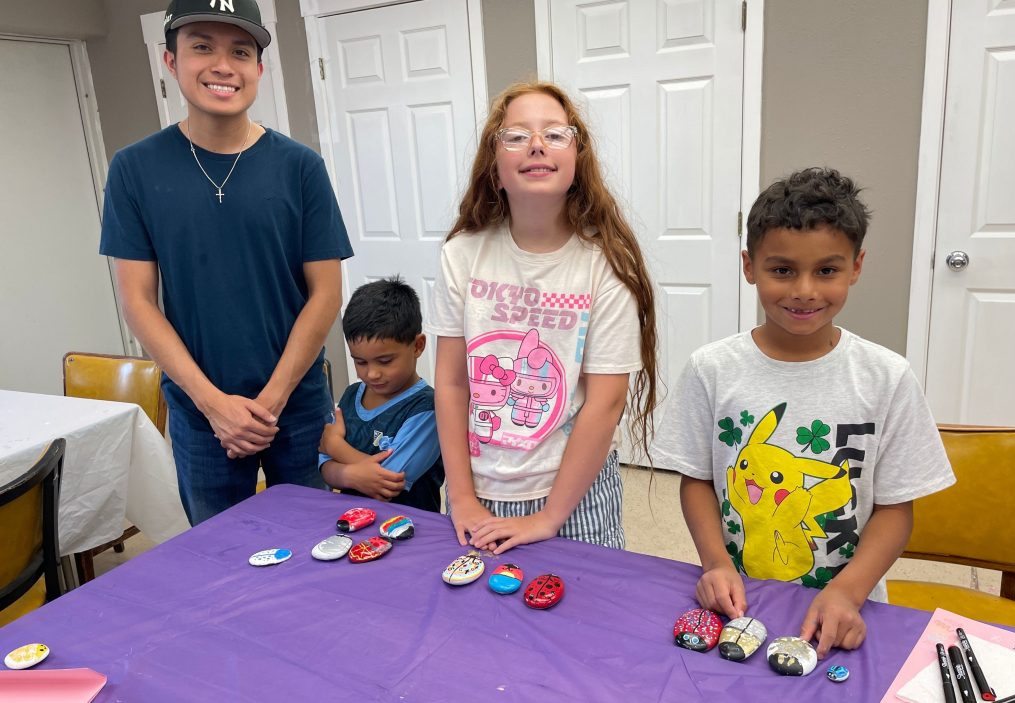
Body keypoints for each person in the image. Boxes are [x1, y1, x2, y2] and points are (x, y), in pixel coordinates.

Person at [651, 167, 955, 658]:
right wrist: (714, 564)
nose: (805, 290)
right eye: (783, 270)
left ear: (856, 266)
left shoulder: (887, 377)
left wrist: (847, 591)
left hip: (847, 608)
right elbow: (697, 479)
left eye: (827, 271)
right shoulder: (711, 369)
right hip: (737, 600)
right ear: (749, 266)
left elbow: (896, 508)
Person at [99, 0, 352, 525]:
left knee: (314, 544)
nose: (223, 65)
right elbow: (139, 301)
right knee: (218, 556)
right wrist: (214, 404)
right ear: (170, 59)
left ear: (259, 68)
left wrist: (274, 399)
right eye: (202, 46)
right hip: (198, 410)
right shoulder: (135, 169)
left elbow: (326, 293)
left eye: (240, 51)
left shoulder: (299, 167)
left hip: (296, 400)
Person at [427, 81, 658, 555]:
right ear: (495, 169)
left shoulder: (606, 265)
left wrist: (550, 518)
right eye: (516, 136)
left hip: (576, 496)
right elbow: (452, 384)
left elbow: (605, 403)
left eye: (555, 134)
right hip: (479, 490)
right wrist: (463, 498)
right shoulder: (461, 255)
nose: (536, 144)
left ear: (578, 161)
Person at [318, 277, 444, 512]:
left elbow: (389, 481)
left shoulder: (427, 408)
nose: (372, 373)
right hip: (351, 523)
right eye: (361, 362)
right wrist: (350, 475)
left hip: (410, 529)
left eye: (385, 361)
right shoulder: (351, 395)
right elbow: (323, 464)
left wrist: (335, 445)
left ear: (417, 346)